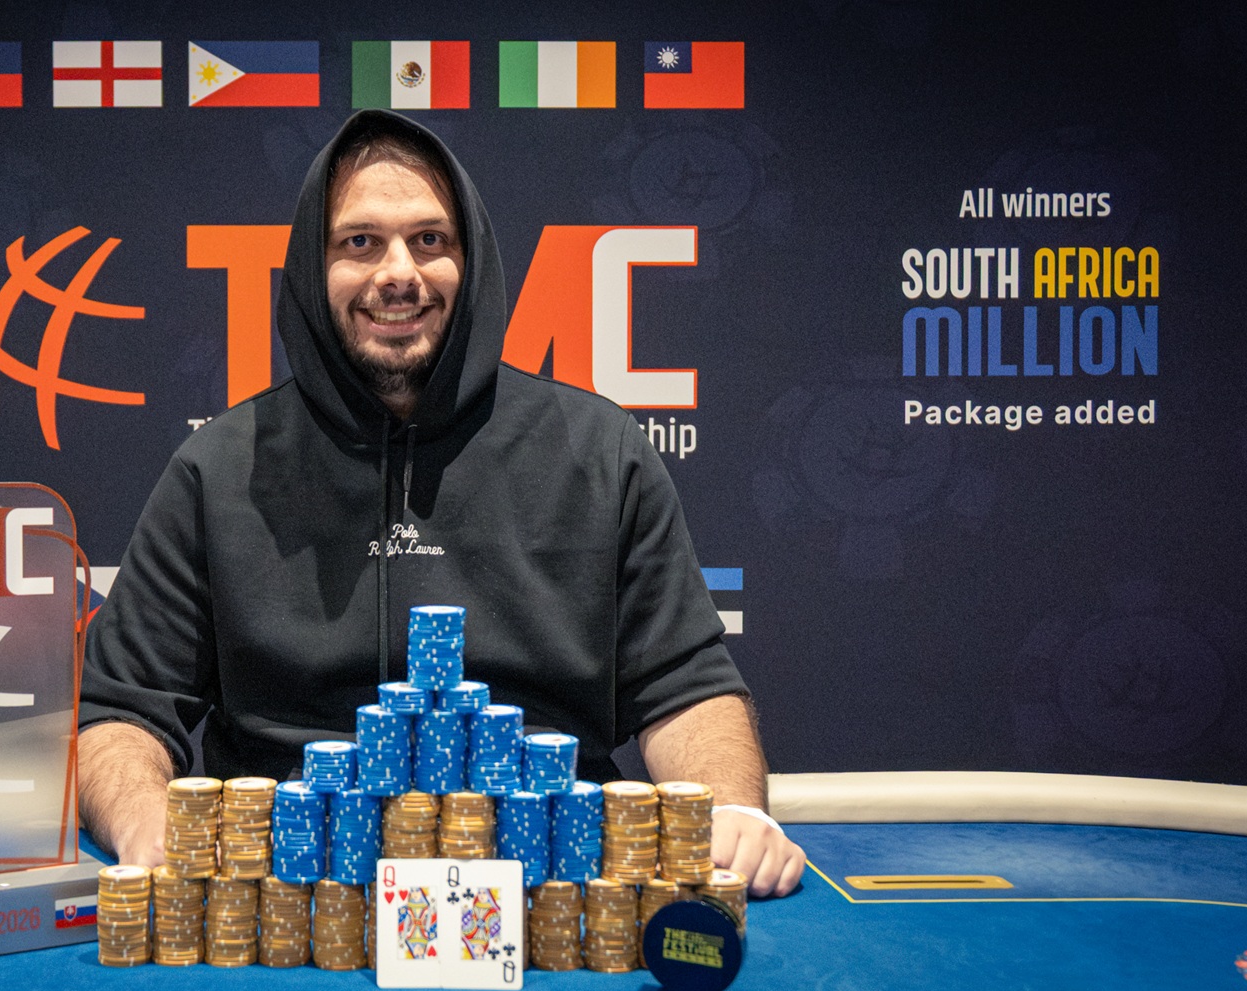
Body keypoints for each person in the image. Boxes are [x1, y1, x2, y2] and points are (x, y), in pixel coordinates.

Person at [77, 110, 806, 897]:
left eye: (429, 240)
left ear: (473, 260)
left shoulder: (599, 452)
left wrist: (731, 811)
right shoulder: (218, 469)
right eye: (360, 242)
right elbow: (118, 712)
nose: (399, 273)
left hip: (554, 885)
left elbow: (688, 690)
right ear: (313, 269)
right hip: (287, 888)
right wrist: (145, 821)